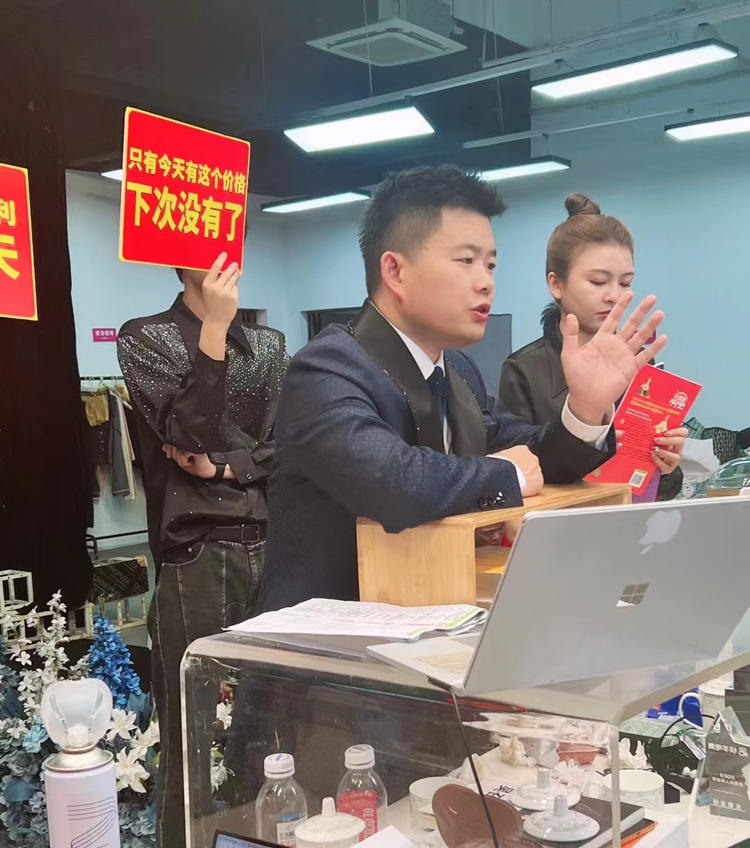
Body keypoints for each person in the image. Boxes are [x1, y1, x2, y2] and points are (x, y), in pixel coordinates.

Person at [258, 166, 667, 612]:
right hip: (324, 636)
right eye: (466, 261)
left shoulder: (458, 372)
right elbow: (393, 482)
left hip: (431, 615)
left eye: (491, 264)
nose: (486, 281)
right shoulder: (326, 368)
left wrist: (586, 409)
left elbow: (536, 456)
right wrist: (506, 474)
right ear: (395, 271)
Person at [117, 252, 287, 848]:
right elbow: (188, 433)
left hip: (270, 547)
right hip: (195, 555)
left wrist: (223, 467)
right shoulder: (146, 338)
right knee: (189, 739)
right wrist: (213, 327)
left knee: (268, 736)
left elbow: (291, 444)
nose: (221, 249)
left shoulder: (268, 345)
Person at [498, 193, 686, 500]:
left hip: (631, 522)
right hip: (560, 523)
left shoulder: (639, 364)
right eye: (598, 281)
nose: (614, 296)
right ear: (556, 284)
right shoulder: (523, 370)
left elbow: (658, 487)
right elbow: (516, 476)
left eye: (625, 283)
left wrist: (666, 467)